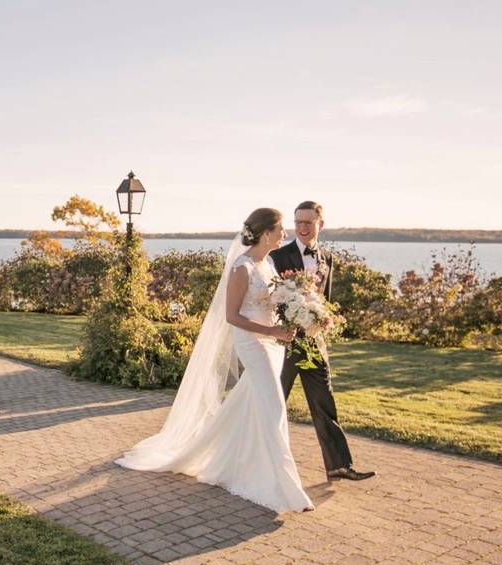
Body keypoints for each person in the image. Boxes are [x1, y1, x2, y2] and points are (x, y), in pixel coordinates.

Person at [116, 208, 313, 513]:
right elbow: (233, 316)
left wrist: (302, 308)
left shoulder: (269, 264)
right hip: (252, 342)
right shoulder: (242, 268)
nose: (284, 234)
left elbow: (275, 301)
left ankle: (229, 458)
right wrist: (270, 329)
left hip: (275, 344)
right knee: (274, 408)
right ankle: (283, 486)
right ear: (265, 233)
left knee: (250, 403)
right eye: (280, 229)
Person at [270, 201, 375, 482]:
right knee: (271, 403)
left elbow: (323, 300)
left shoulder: (327, 257)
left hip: (315, 344)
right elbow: (271, 299)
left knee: (324, 403)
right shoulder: (277, 256)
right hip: (286, 344)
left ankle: (339, 465)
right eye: (298, 222)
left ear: (320, 224)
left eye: (308, 222)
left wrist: (324, 320)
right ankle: (253, 463)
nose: (302, 227)